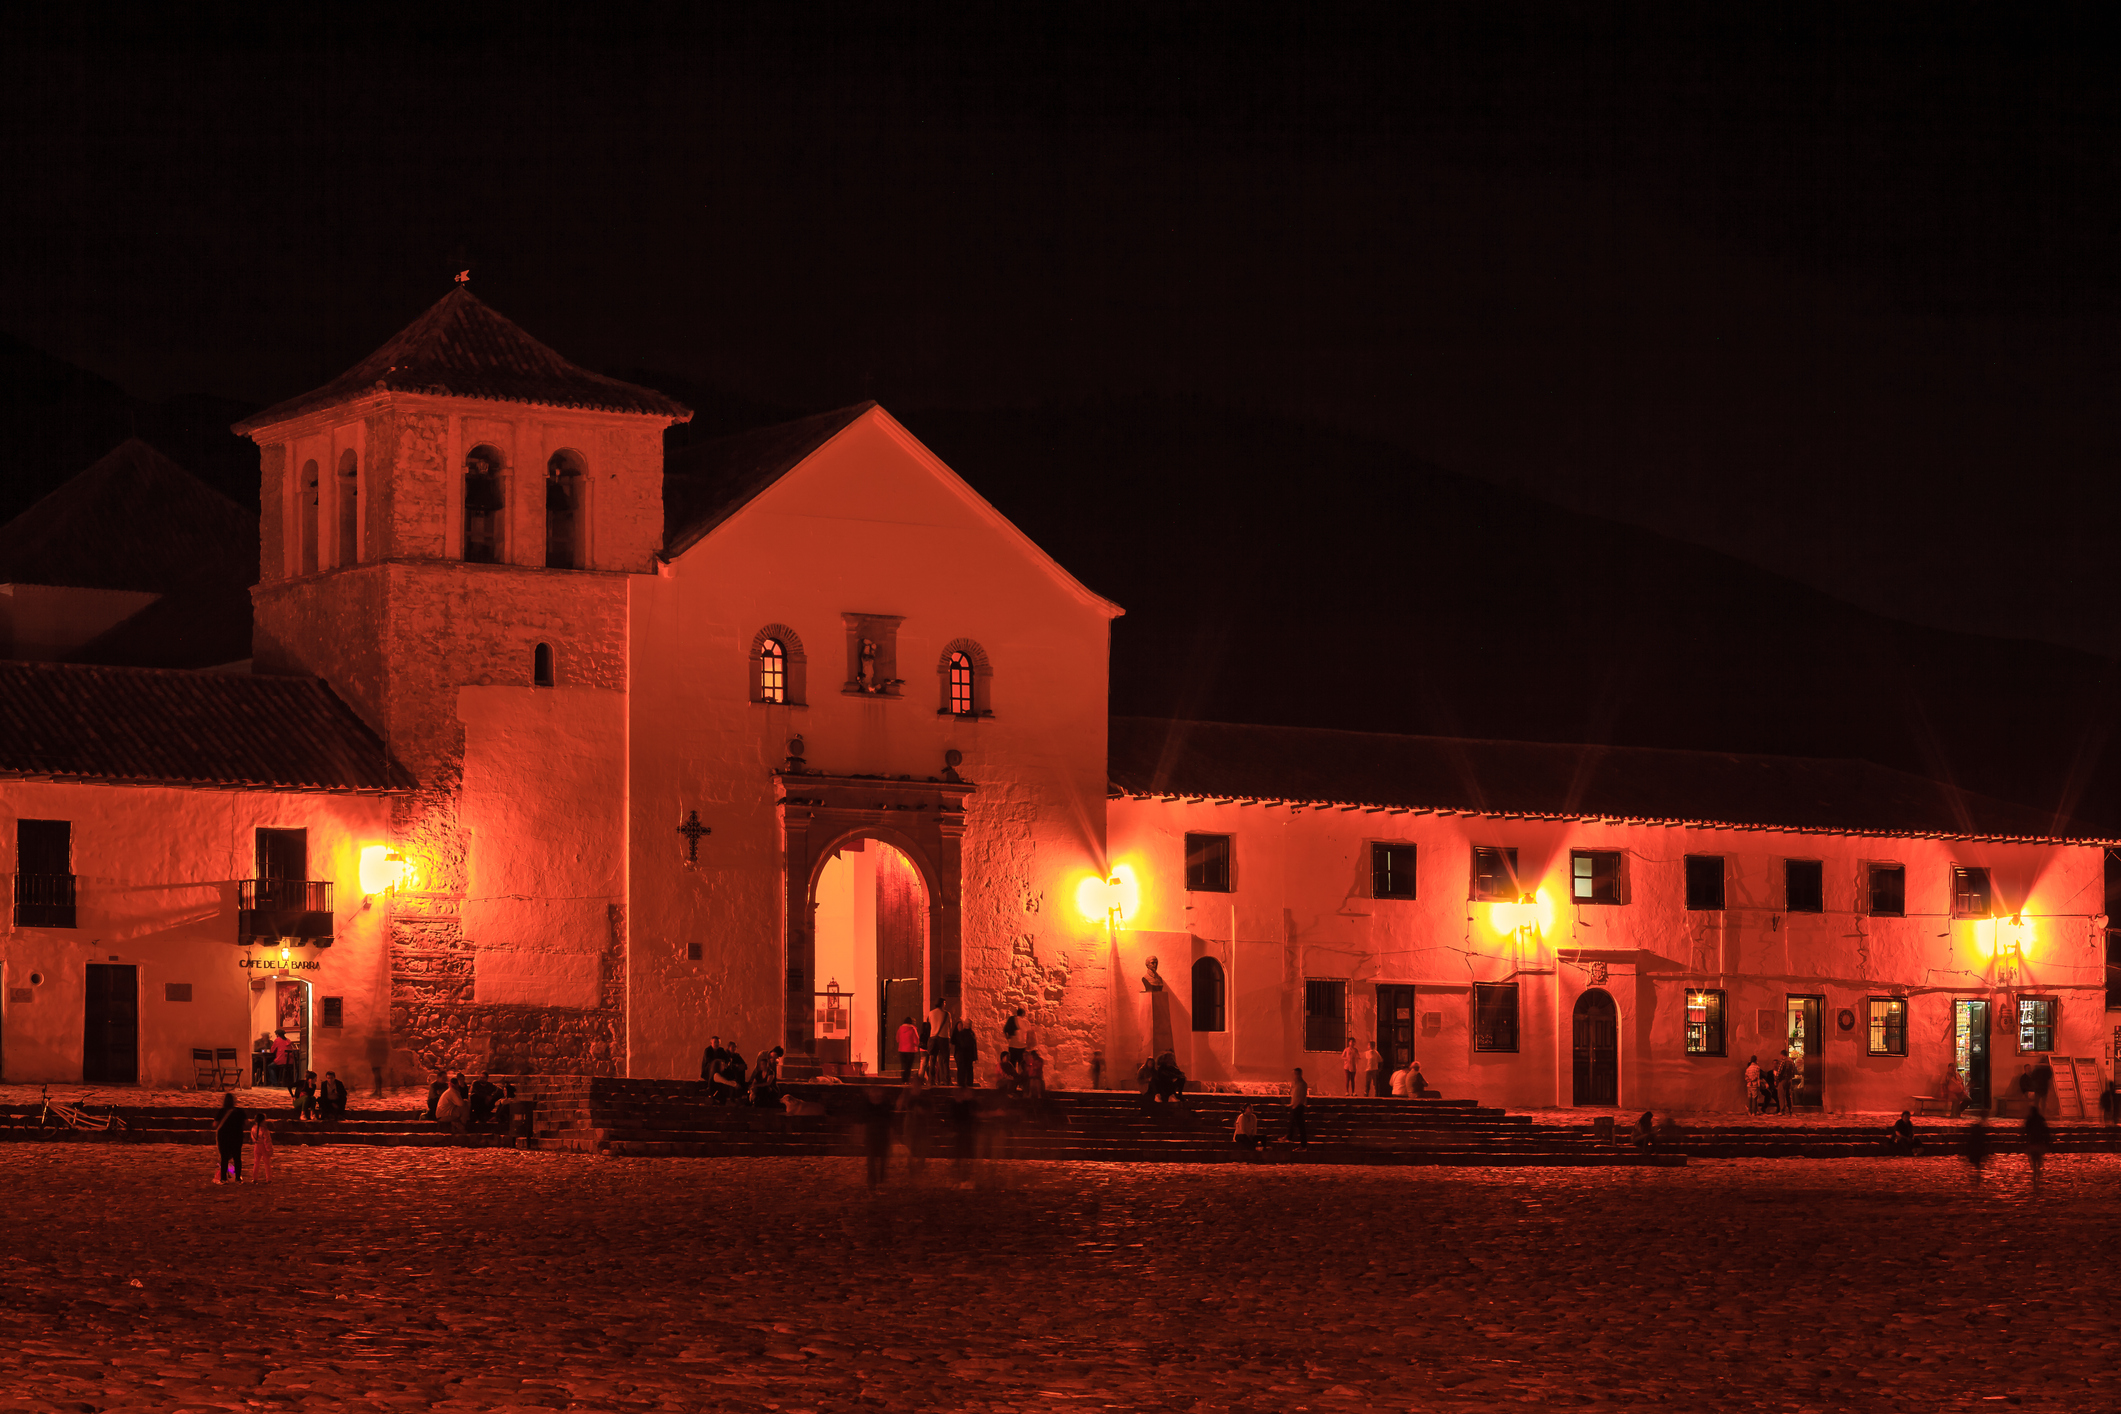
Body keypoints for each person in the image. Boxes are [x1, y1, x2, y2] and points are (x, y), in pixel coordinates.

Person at [861, 1087, 894, 1190]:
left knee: (882, 1157)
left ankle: (880, 1176)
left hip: (882, 1133)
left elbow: (890, 1120)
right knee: (871, 1158)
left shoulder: (885, 1105)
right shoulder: (868, 1105)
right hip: (872, 1134)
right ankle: (873, 1179)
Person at [211, 1092, 245, 1183]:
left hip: (224, 1138)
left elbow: (215, 1124)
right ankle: (238, 1178)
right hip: (237, 1137)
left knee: (224, 1158)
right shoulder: (239, 1111)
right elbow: (246, 1123)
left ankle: (223, 1178)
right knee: (237, 1158)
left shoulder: (221, 1111)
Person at [2023, 1106, 2052, 1191]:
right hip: (2039, 1143)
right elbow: (2046, 1131)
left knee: (2033, 1159)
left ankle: (2035, 1172)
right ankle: (2038, 1173)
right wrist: (2047, 1142)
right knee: (2038, 1159)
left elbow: (2026, 1131)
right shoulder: (2040, 1119)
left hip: (2032, 1143)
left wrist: (2024, 1141)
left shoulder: (2030, 1120)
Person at [927, 998, 952, 1084]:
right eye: (944, 1003)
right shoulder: (947, 1014)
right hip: (944, 1037)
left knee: (932, 1059)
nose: (945, 1004)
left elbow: (929, 1024)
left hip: (933, 1037)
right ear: (942, 1003)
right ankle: (946, 1080)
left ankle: (931, 1080)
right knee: (945, 1060)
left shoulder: (931, 1013)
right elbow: (950, 1026)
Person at [1286, 1067, 1311, 1145]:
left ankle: (1302, 1143)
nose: (1293, 1076)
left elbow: (1300, 1097)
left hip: (1298, 1106)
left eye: (1294, 1074)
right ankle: (1290, 1137)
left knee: (1300, 1125)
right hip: (1295, 1106)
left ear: (1298, 1075)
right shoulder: (1296, 1084)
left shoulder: (1302, 1084)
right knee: (1294, 1123)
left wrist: (1294, 1106)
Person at [1963, 1117, 1992, 1182]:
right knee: (1977, 1162)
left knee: (1976, 1162)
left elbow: (1969, 1143)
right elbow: (1987, 1139)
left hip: (1976, 1149)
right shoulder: (1980, 1135)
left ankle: (1977, 1171)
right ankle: (1978, 1171)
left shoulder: (1973, 1136)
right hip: (1979, 1149)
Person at [953, 1019, 978, 1089]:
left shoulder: (968, 1033)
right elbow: (972, 1045)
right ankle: (965, 1083)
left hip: (965, 1055)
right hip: (965, 1055)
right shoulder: (969, 1034)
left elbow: (973, 1046)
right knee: (966, 1069)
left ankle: (964, 1083)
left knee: (965, 1070)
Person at [250, 1112, 275, 1183]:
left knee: (256, 1162)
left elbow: (252, 1137)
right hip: (263, 1147)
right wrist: (269, 1150)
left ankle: (255, 1178)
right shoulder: (264, 1130)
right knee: (267, 1163)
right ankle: (268, 1178)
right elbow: (267, 1141)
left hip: (256, 1146)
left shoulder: (253, 1128)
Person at [896, 1017, 921, 1082]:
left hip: (901, 1049)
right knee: (908, 1066)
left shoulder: (900, 1029)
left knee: (904, 1066)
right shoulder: (913, 1029)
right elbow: (916, 1040)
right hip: (911, 1050)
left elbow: (897, 1039)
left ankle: (903, 1080)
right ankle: (907, 1080)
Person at [1776, 1049, 1797, 1115]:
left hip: (1783, 1080)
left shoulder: (1783, 1061)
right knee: (1788, 1095)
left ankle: (1782, 1110)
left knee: (1781, 1095)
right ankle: (1790, 1109)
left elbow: (1779, 1072)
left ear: (1782, 1055)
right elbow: (1794, 1071)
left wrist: (1777, 1079)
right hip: (1789, 1080)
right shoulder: (1791, 1061)